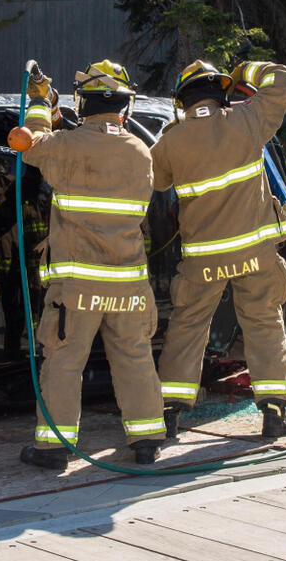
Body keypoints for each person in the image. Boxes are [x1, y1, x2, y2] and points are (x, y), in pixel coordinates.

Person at [9, 60, 167, 469]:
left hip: (77, 289)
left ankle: (52, 447)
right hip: (130, 286)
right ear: (124, 106)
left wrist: (41, 102)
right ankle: (147, 439)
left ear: (83, 103)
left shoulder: (66, 147)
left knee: (64, 362)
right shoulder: (140, 153)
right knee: (135, 359)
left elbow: (31, 144)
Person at [151, 59, 286, 439]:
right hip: (257, 253)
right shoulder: (248, 121)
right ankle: (274, 413)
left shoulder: (170, 141)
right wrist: (247, 69)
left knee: (188, 328)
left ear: (181, 102)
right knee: (263, 323)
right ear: (222, 93)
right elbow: (283, 80)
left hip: (203, 261)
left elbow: (156, 177)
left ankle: (170, 412)